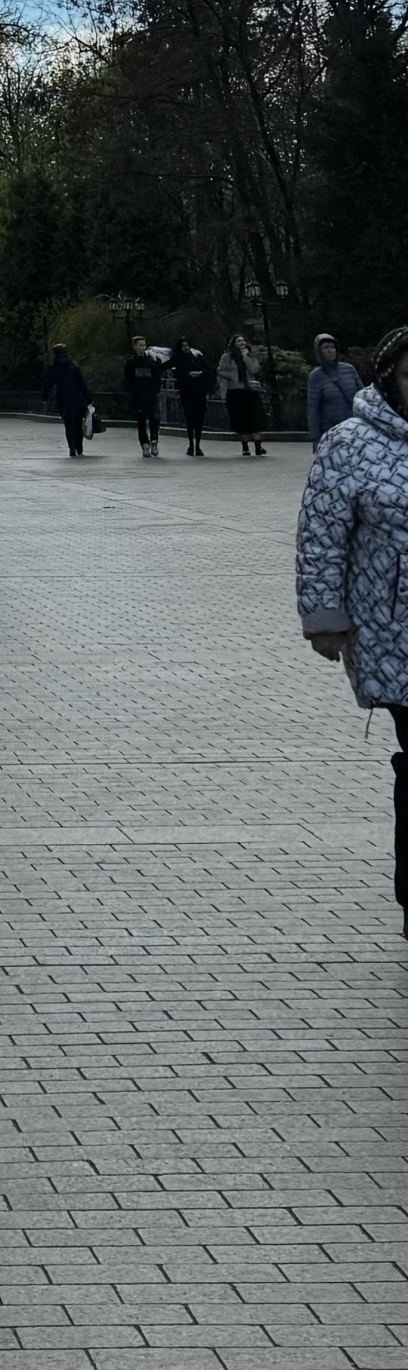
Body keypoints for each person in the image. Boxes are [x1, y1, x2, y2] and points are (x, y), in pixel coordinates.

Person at [295, 322, 408, 933]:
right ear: (392, 378)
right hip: (393, 631)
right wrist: (325, 621)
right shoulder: (350, 443)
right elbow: (321, 538)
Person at [306, 334, 361, 450]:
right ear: (319, 352)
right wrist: (315, 438)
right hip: (332, 432)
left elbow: (363, 397)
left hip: (355, 429)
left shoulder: (349, 370)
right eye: (325, 347)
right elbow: (313, 408)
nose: (330, 350)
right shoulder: (316, 376)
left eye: (332, 347)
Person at [217, 334, 268, 458]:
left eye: (243, 340)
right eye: (239, 341)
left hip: (249, 390)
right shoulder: (227, 356)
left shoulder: (249, 355)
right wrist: (233, 376)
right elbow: (220, 370)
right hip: (235, 390)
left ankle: (258, 446)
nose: (242, 343)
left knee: (254, 419)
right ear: (233, 343)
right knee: (242, 421)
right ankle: (245, 447)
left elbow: (254, 369)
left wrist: (245, 357)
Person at [45, 346, 92, 458]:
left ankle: (71, 447)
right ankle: (79, 447)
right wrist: (88, 399)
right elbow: (82, 384)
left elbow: (49, 384)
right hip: (77, 397)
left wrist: (45, 398)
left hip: (63, 398)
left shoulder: (53, 367)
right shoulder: (74, 366)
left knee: (68, 424)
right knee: (77, 423)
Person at [122, 337, 163, 457]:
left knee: (154, 420)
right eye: (140, 345)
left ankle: (154, 440)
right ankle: (144, 444)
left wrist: (155, 390)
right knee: (141, 422)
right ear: (134, 347)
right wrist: (131, 394)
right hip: (138, 397)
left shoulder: (150, 361)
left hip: (150, 396)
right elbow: (128, 380)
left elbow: (157, 378)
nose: (142, 348)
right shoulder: (131, 363)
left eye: (144, 345)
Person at [172, 336, 210, 456]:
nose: (186, 348)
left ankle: (198, 444)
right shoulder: (177, 359)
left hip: (199, 392)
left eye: (188, 345)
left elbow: (210, 370)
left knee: (199, 418)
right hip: (186, 392)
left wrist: (200, 374)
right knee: (189, 419)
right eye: (183, 346)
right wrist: (187, 376)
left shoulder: (197, 358)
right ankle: (191, 443)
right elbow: (177, 375)